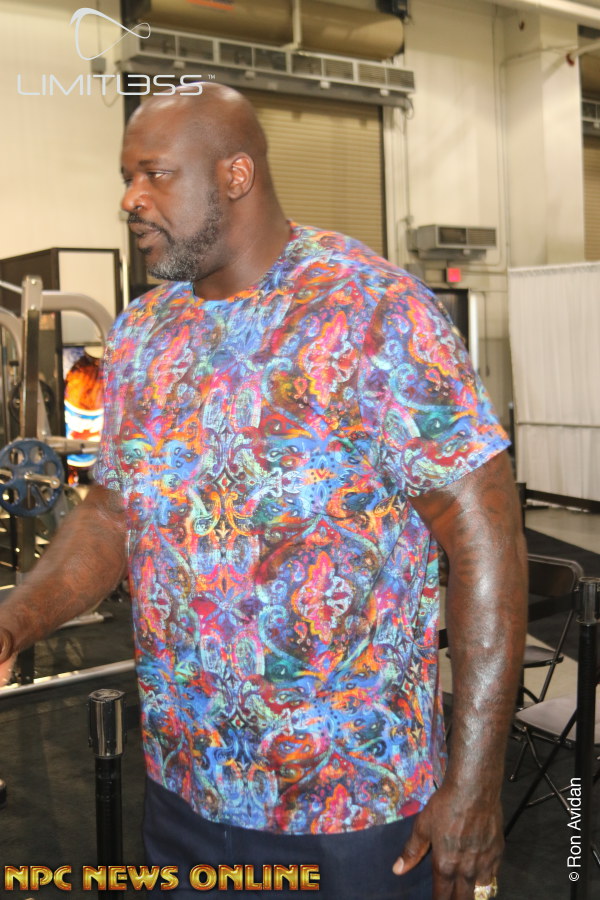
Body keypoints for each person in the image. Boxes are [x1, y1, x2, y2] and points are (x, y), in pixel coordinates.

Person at [0, 84, 527, 899]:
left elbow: (484, 536)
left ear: (236, 174)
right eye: (126, 176)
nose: (130, 198)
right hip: (186, 788)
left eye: (154, 175)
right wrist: (16, 619)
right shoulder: (144, 334)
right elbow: (111, 515)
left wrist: (477, 781)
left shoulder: (372, 311)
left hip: (352, 808)